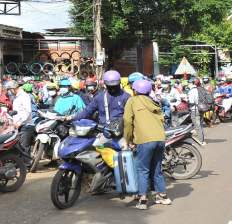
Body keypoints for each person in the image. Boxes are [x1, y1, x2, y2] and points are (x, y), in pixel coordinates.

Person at [124, 79, 169, 210]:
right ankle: (163, 196)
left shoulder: (132, 101)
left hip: (145, 140)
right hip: (160, 139)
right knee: (156, 169)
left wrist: (129, 138)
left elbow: (128, 121)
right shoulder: (154, 102)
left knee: (143, 170)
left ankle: (143, 200)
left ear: (135, 90)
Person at [70, 70, 131, 146]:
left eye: (114, 85)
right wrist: (73, 118)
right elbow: (88, 111)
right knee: (94, 148)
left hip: (121, 134)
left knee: (126, 150)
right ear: (105, 84)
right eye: (110, 86)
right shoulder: (100, 97)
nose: (112, 88)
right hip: (105, 133)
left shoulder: (126, 97)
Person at [6, 80, 35, 165]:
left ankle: (26, 165)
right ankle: (20, 164)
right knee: (17, 146)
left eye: (9, 90)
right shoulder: (16, 97)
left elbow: (28, 111)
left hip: (26, 125)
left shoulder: (24, 96)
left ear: (13, 88)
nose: (8, 92)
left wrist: (19, 123)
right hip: (18, 124)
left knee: (23, 146)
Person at [186, 78, 205, 144]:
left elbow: (191, 102)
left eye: (188, 83)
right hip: (202, 108)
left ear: (192, 83)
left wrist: (186, 101)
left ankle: (201, 140)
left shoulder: (192, 91)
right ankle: (202, 139)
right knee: (200, 124)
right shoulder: (200, 89)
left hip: (195, 109)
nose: (188, 85)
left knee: (197, 125)